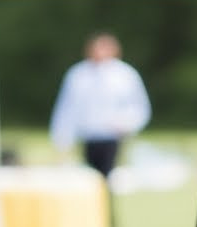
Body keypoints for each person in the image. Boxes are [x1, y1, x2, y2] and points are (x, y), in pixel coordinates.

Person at [48, 33, 151, 185]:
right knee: (90, 180)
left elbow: (138, 106)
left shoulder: (124, 75)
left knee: (109, 179)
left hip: (113, 137)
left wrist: (127, 123)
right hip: (88, 136)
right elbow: (67, 108)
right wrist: (62, 138)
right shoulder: (78, 75)